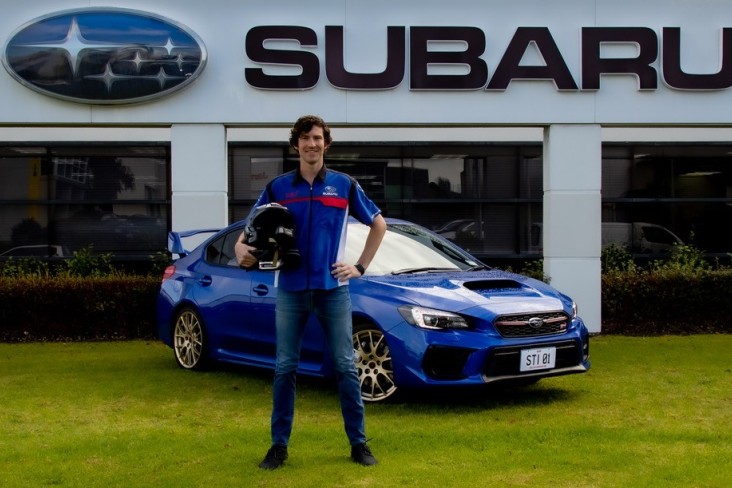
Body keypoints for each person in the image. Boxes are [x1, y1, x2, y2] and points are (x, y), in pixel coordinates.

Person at [235, 115, 387, 469]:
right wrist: (241, 249)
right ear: (295, 145)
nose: (311, 144)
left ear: (326, 144)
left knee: (346, 368)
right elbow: (250, 230)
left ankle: (359, 444)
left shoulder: (344, 184)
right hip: (290, 289)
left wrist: (360, 266)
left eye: (317, 138)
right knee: (285, 368)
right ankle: (278, 447)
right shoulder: (277, 188)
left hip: (334, 289)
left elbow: (379, 224)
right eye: (305, 138)